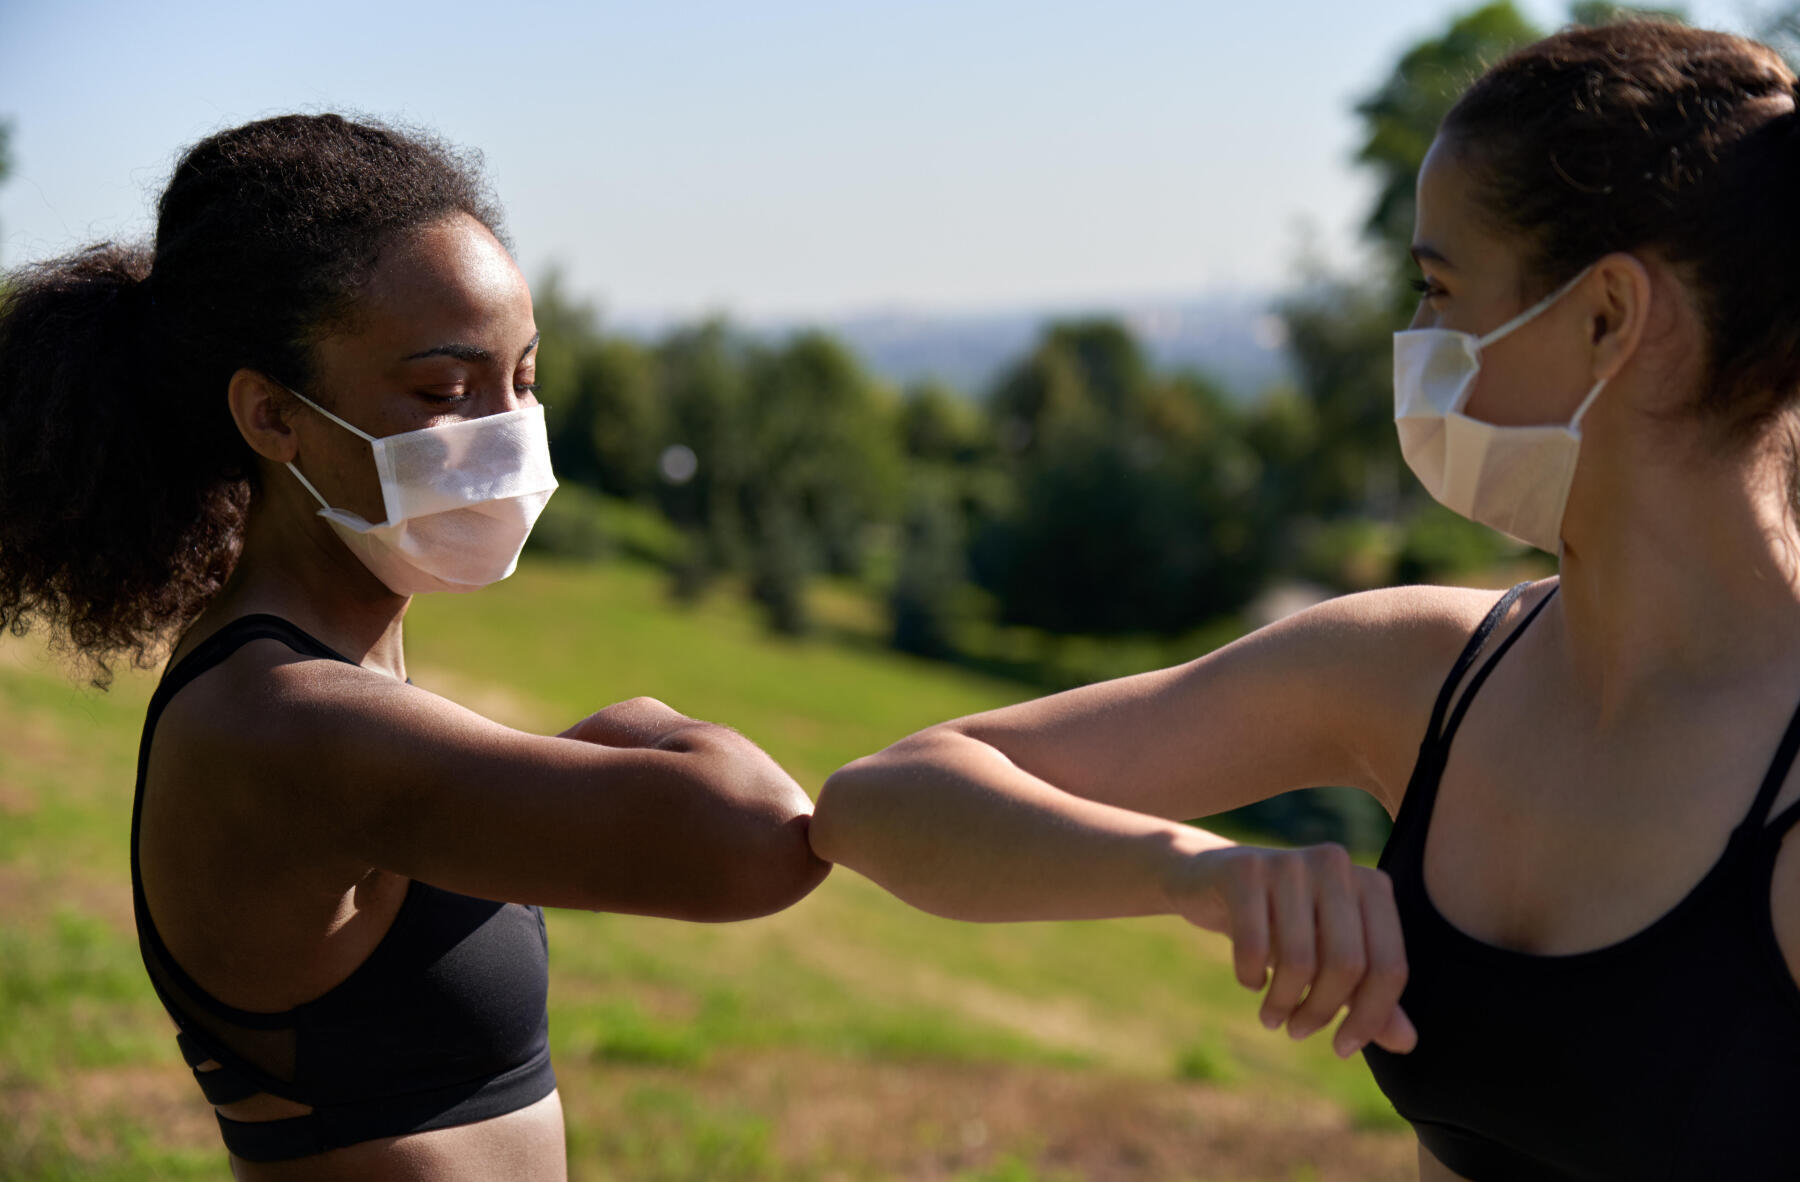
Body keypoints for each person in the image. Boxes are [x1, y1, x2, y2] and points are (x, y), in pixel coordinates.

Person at [811, 21, 1800, 1180]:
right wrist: (1192, 870)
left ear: (1607, 317)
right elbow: (879, 802)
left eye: (1438, 288)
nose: (1415, 341)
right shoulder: (1424, 673)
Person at [0, 113, 828, 1180]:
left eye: (523, 380)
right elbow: (749, 839)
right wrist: (640, 730)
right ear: (270, 416)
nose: (506, 429)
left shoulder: (332, 677)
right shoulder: (280, 721)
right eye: (445, 393)